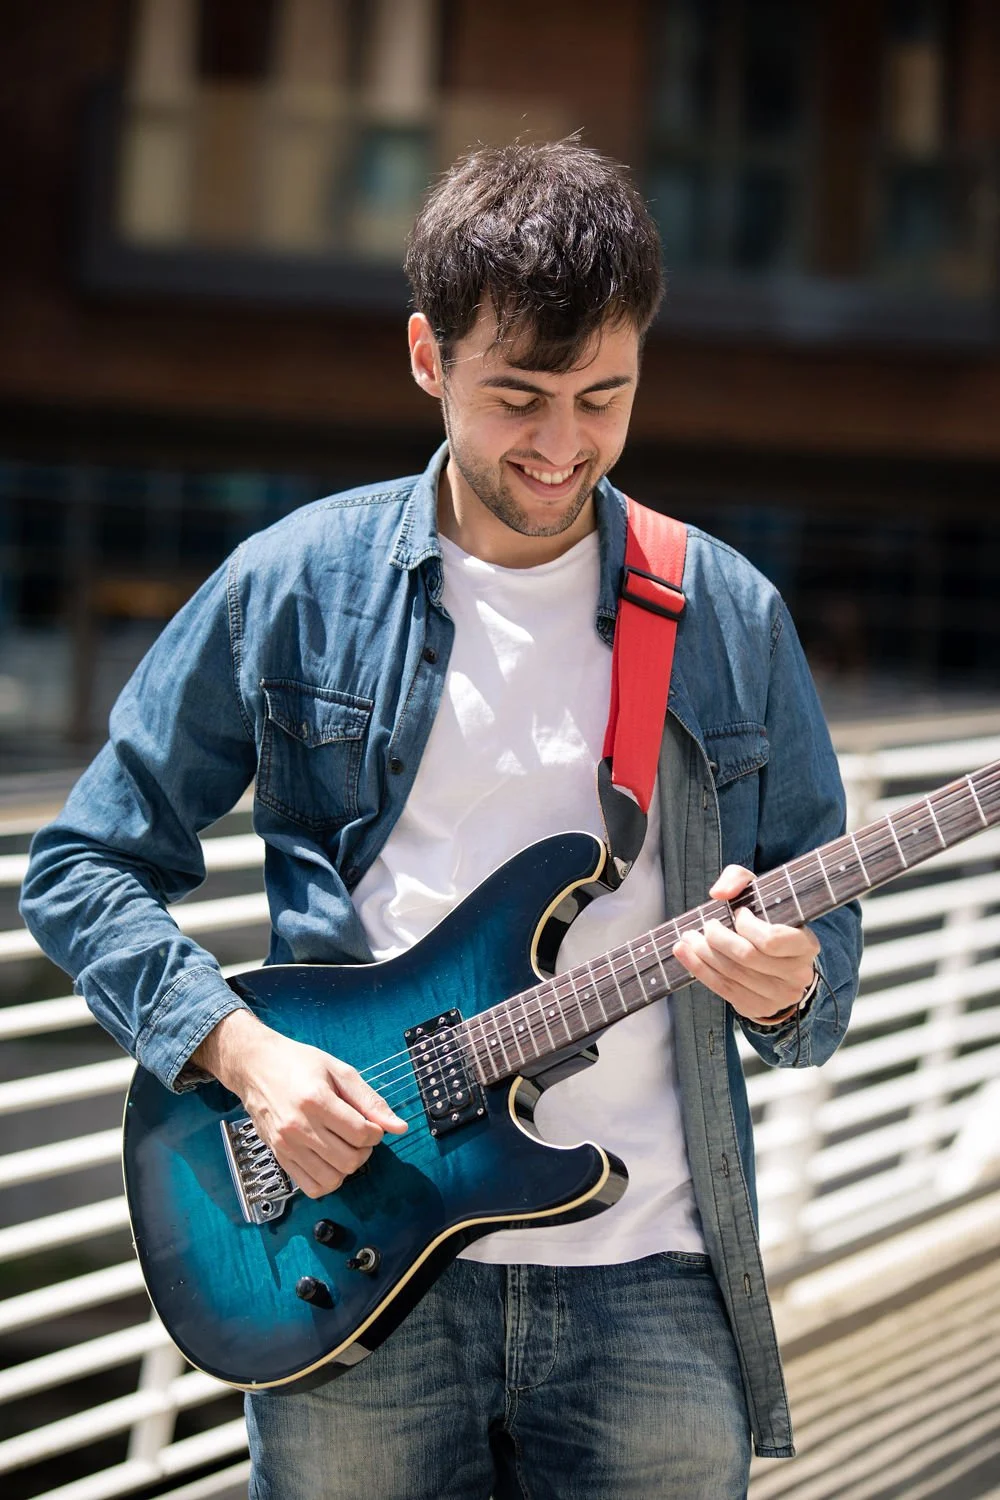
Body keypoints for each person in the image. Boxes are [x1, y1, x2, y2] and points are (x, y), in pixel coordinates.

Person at [21, 139, 862, 1500]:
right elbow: (81, 868)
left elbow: (827, 943)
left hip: (649, 1279)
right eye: (517, 396)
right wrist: (244, 1059)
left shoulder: (727, 616)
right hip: (353, 1262)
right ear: (428, 356)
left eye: (605, 397)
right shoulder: (294, 584)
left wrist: (790, 982)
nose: (561, 444)